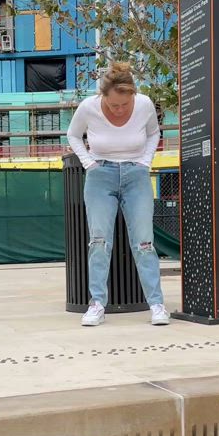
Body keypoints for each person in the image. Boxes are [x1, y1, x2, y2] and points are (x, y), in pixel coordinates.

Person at [66, 62, 170, 327]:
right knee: (99, 242)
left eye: (124, 104)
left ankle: (157, 305)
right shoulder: (89, 107)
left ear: (133, 95)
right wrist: (89, 163)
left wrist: (145, 161)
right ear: (103, 96)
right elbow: (73, 135)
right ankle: (97, 304)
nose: (119, 109)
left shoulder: (145, 104)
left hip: (136, 175)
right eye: (113, 105)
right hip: (100, 176)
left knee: (144, 242)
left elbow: (153, 132)